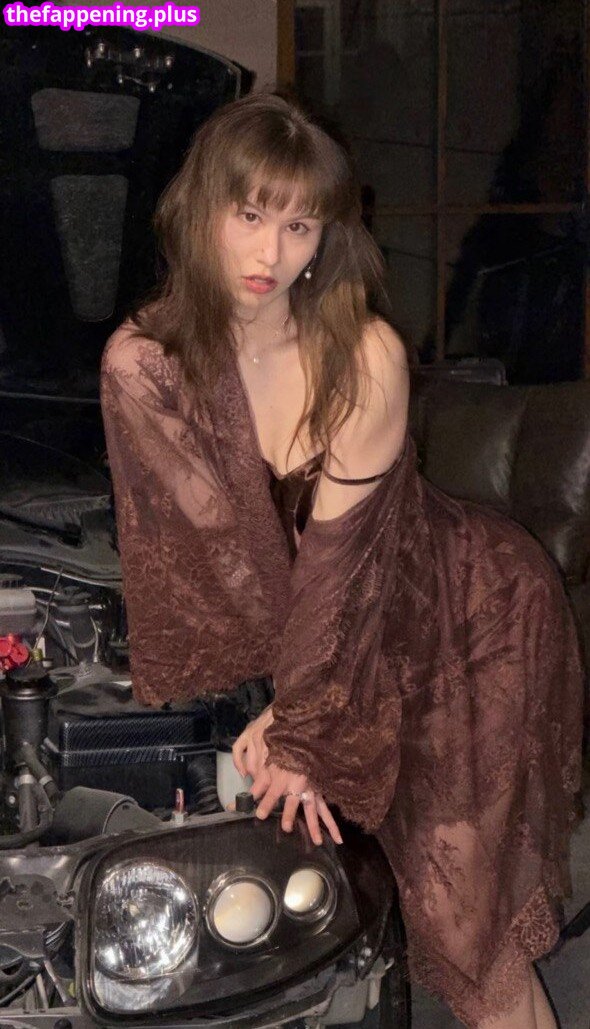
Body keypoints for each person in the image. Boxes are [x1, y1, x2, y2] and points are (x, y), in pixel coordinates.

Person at [100, 93, 583, 1029]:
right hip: (342, 639)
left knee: (467, 932)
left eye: (298, 224)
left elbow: (340, 571)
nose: (270, 253)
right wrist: (289, 712)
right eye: (249, 214)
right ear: (200, 210)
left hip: (461, 621)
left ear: (326, 235)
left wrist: (304, 725)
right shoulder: (145, 366)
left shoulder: (363, 356)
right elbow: (225, 564)